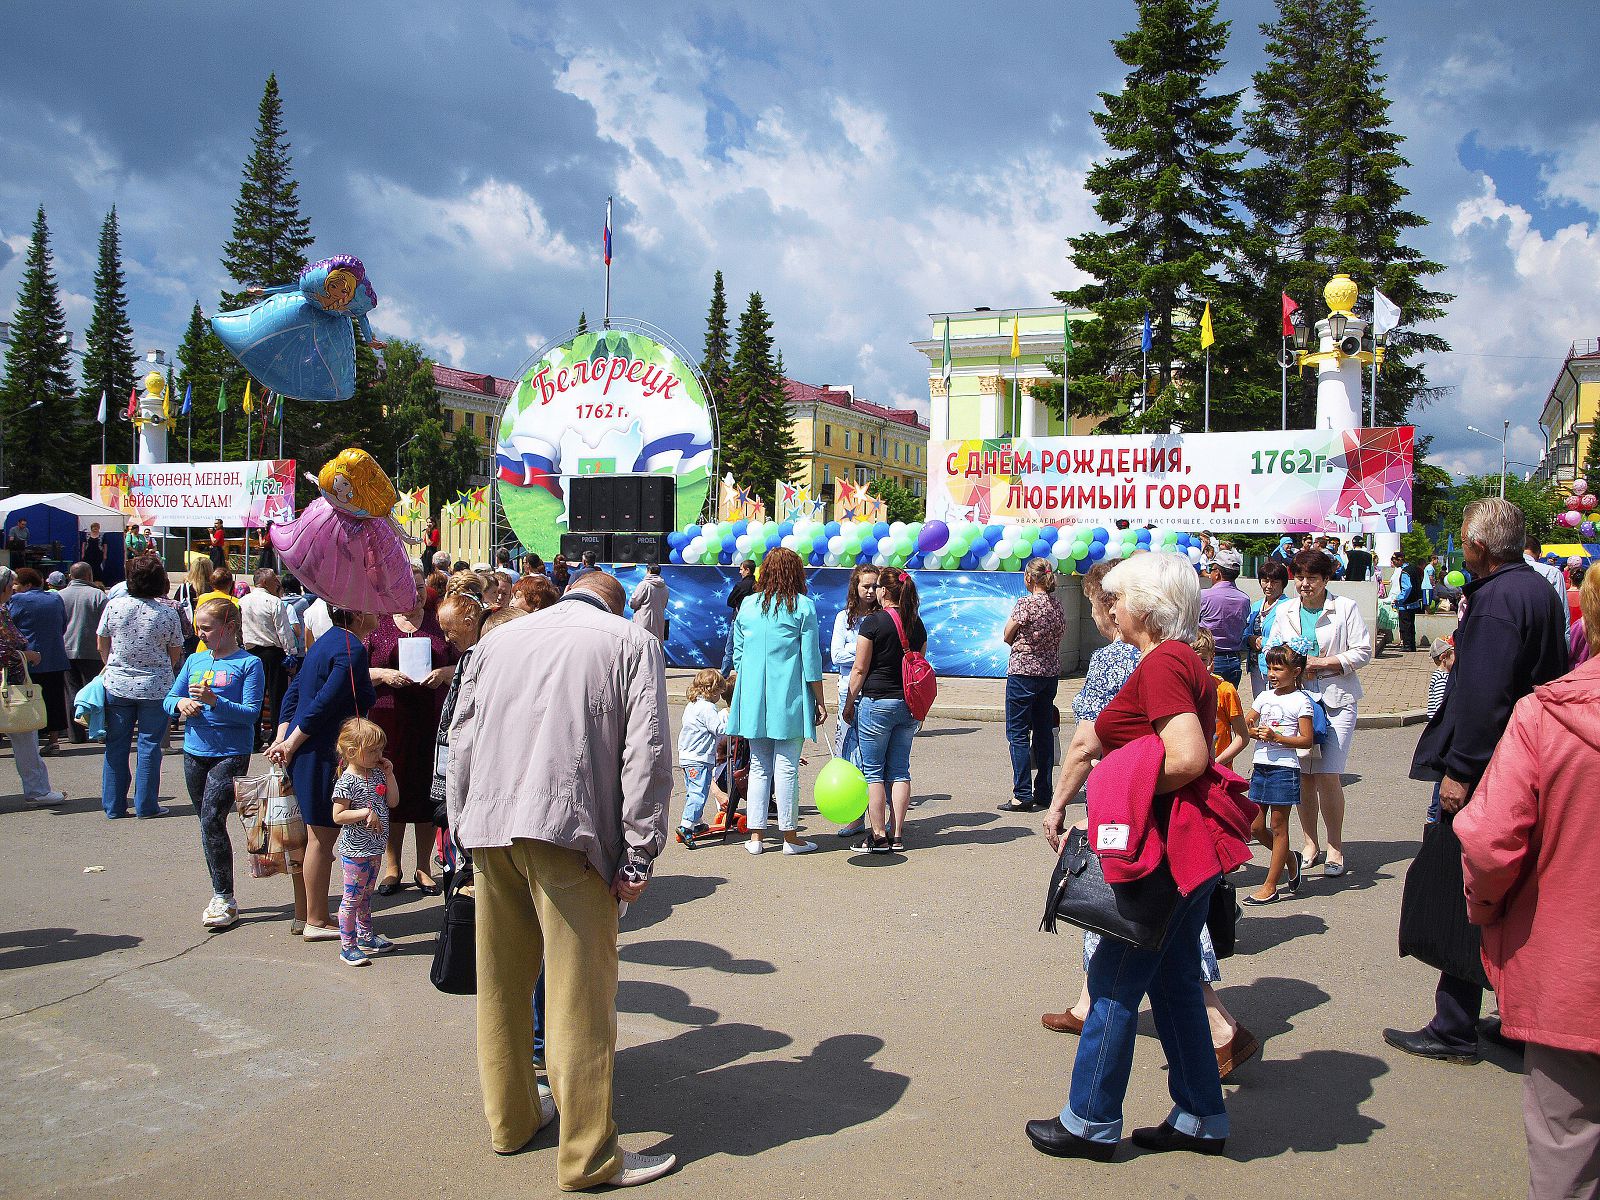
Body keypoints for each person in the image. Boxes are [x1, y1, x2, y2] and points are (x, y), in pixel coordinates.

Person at [446, 569, 676, 1190]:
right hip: (568, 832)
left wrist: (460, 827)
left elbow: (460, 743)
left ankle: (512, 1122)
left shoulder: (498, 641)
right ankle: (588, 1159)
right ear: (616, 601)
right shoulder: (630, 641)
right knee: (580, 1001)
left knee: (500, 986)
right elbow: (647, 754)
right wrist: (638, 853)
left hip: (491, 827)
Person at [1026, 551, 1252, 1162]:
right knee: (1177, 982)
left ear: (1145, 607)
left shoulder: (1162, 665)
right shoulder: (1178, 661)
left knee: (1113, 984)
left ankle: (1090, 1122)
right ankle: (1201, 1116)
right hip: (1190, 848)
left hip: (1164, 852)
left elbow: (1186, 757)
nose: (1113, 607)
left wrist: (1118, 788)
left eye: (1120, 597)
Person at [1386, 498, 1568, 1065]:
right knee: (1517, 892)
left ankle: (1455, 1024)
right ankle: (1517, 1016)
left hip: (1492, 767)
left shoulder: (1496, 603)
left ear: (1478, 546)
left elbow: (1484, 698)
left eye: (1464, 537)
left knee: (1466, 889)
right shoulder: (1538, 589)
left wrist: (1460, 772)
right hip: (1528, 756)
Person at [1457, 565, 1600, 1200]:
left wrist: (1486, 909)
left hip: (1571, 972)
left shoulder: (1544, 718)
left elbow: (1490, 844)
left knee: (1566, 1140)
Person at [268, 607, 378, 941]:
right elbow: (323, 703)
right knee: (321, 839)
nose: (379, 614)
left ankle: (309, 913)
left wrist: (283, 737)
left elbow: (294, 693)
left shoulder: (324, 642)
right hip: (322, 751)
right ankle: (316, 918)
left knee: (313, 838)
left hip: (307, 750)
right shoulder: (351, 649)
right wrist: (289, 743)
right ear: (358, 614)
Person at [1268, 548, 1371, 878]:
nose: (1304, 584)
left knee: (1328, 775)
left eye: (1312, 578)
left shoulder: (1345, 608)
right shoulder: (1286, 611)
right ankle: (1309, 843)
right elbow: (1274, 648)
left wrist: (1323, 663)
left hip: (1336, 698)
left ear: (1326, 579)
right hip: (1298, 702)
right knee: (1305, 777)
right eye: (1299, 577)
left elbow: (1363, 651)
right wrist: (1289, 667)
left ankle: (1335, 846)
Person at [164, 598, 264, 931]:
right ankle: (220, 891)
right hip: (195, 751)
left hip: (231, 752)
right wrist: (181, 703)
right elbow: (168, 699)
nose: (200, 634)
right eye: (198, 627)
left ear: (230, 627)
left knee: (211, 818)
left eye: (206, 628)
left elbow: (251, 714)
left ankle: (224, 898)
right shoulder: (194, 660)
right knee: (208, 824)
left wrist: (214, 701)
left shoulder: (250, 664)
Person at [729, 547, 826, 855]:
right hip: (790, 696)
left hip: (754, 696)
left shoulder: (748, 606)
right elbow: (811, 661)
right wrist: (820, 701)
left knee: (758, 765)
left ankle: (756, 837)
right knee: (786, 767)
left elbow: (738, 655)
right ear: (796, 573)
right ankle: (790, 837)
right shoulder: (803, 607)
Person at [364, 593, 458, 895]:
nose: (413, 594)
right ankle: (392, 866)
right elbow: (355, 671)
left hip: (431, 717)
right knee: (391, 789)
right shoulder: (377, 624)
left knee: (426, 790)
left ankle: (423, 866)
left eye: (419, 586)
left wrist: (445, 673)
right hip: (389, 718)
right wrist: (383, 674)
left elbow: (464, 663)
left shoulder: (437, 623)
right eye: (408, 587)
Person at [844, 566, 926, 855]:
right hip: (907, 705)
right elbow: (918, 668)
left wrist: (848, 702)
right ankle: (898, 833)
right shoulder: (916, 624)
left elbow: (859, 668)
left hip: (876, 703)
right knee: (901, 769)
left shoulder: (873, 623)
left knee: (874, 773)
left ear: (883, 591)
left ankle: (878, 835)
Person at [96, 555, 184, 818]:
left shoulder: (114, 606)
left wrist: (111, 664)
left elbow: (102, 641)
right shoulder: (167, 612)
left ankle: (113, 806)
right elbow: (175, 652)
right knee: (149, 746)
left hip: (118, 683)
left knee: (116, 745)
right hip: (155, 686)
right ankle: (146, 805)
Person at [1244, 641, 1315, 903]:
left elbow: (1306, 740)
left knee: (1278, 826)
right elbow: (1246, 724)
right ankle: (1290, 859)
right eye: (1270, 668)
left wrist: (1277, 737)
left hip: (1285, 769)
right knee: (1254, 826)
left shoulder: (1301, 702)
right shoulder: (1264, 697)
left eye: (1278, 669)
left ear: (1295, 672)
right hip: (1261, 765)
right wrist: (1253, 731)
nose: (1272, 674)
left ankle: (1271, 886)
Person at [330, 717, 399, 966]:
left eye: (380, 749)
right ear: (351, 752)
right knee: (352, 898)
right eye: (372, 751)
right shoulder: (347, 781)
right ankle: (347, 945)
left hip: (375, 848)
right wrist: (364, 813)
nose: (378, 755)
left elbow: (393, 801)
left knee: (366, 897)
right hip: (355, 852)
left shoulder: (377, 774)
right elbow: (338, 816)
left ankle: (366, 935)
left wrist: (389, 776)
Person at [1002, 557, 1065, 812]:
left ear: (1029, 578)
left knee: (1017, 733)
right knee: (1043, 732)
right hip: (1049, 674)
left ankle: (1022, 793)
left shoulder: (1025, 604)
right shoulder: (1057, 605)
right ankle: (1044, 792)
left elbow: (1007, 635)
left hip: (1023, 673)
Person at [0, 567, 63, 805]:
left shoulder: (6, 609)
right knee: (25, 737)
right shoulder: (1, 612)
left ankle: (38, 789)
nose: (14, 589)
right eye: (12, 585)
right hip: (11, 684)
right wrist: (27, 655)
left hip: (8, 682)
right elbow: (4, 651)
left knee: (25, 738)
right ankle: (37, 790)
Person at [8, 568, 71, 755]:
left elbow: (9, 627)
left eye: (16, 585)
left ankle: (28, 741)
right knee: (54, 700)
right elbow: (63, 624)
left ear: (27, 585)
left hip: (28, 660)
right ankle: (54, 741)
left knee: (26, 700)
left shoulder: (18, 600)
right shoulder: (55, 598)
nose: (14, 588)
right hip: (55, 657)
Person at [830, 564, 879, 784]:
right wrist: (864, 651)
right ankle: (849, 789)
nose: (870, 591)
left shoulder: (882, 617)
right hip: (847, 688)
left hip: (874, 690)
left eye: (875, 586)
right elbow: (836, 656)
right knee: (846, 744)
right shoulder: (844, 617)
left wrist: (863, 654)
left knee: (870, 746)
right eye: (866, 586)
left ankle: (870, 789)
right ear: (855, 587)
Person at [241, 569, 297, 745]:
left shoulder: (242, 602)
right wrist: (291, 653)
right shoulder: (274, 602)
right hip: (273, 652)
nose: (277, 583)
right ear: (264, 582)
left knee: (253, 695)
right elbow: (283, 630)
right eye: (274, 580)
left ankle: (254, 737)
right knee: (276, 696)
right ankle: (276, 735)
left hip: (250, 651)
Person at [676, 668, 728, 844]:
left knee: (694, 791)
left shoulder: (692, 705)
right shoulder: (707, 707)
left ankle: (696, 821)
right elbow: (718, 728)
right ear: (712, 691)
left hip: (687, 756)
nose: (720, 697)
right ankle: (686, 825)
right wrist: (729, 720)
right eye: (720, 692)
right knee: (699, 793)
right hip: (699, 758)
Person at [58, 563, 108, 745]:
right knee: (96, 693)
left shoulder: (60, 596)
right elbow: (107, 627)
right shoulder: (99, 596)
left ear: (71, 576)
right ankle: (99, 732)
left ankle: (75, 735)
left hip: (66, 649)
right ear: (89, 575)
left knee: (71, 692)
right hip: (93, 651)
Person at [1191, 630, 1247, 770]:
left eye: (1203, 660)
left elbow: (1242, 737)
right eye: (1193, 660)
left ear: (1212, 658)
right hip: (1191, 770)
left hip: (1218, 770)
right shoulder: (1181, 691)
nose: (1198, 666)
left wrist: (1217, 763)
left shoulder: (1225, 690)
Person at [1198, 548, 1250, 688]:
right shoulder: (1244, 599)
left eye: (1212, 569)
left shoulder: (1204, 596)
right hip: (1234, 660)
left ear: (1218, 573)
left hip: (1210, 659)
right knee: (1229, 704)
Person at [1245, 560, 1290, 700]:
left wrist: (1262, 642)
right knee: (1259, 703)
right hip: (1255, 666)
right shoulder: (1256, 606)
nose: (1269, 586)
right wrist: (1249, 639)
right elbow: (1245, 631)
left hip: (1277, 665)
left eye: (1274, 582)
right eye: (1265, 581)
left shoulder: (1288, 606)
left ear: (1283, 583)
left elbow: (1288, 638)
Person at [722, 559, 757, 673]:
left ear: (747, 570)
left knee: (730, 648)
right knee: (750, 648)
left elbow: (730, 601)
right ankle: (746, 673)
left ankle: (724, 675)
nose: (740, 572)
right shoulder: (758, 586)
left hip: (738, 620)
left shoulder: (741, 585)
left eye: (741, 569)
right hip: (754, 621)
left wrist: (738, 604)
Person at [629, 562, 668, 642]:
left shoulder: (644, 585)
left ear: (648, 571)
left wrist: (630, 602)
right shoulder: (665, 587)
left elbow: (633, 603)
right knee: (656, 645)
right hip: (659, 622)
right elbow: (664, 605)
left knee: (642, 644)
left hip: (643, 621)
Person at [1523, 536, 1567, 607]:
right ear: (1540, 554)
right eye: (1553, 559)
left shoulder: (1503, 571)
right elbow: (1561, 607)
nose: (1554, 561)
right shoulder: (1552, 572)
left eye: (1555, 560)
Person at [1426, 638, 1454, 720]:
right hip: (1439, 723)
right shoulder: (1441, 678)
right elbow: (1441, 704)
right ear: (1444, 657)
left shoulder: (1447, 675)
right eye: (1454, 656)